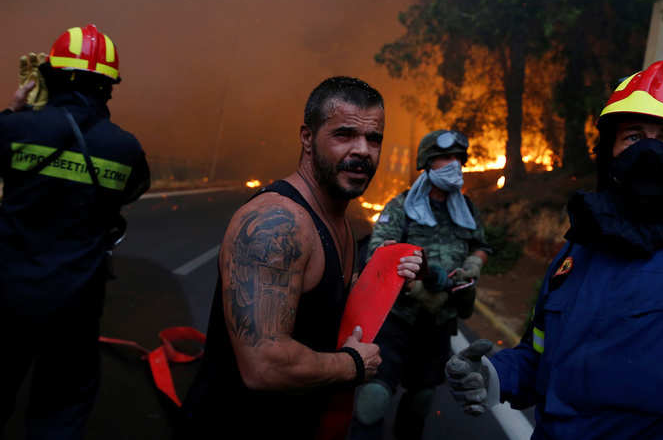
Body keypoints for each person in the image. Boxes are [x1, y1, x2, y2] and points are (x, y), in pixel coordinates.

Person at [446, 60, 663, 440]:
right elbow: (540, 355)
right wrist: (495, 374)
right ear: (609, 153)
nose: (648, 152)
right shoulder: (575, 254)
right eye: (633, 137)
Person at [180, 76, 422, 439]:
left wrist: (384, 283)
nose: (363, 151)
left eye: (374, 139)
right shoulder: (276, 223)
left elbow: (318, 305)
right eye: (344, 135)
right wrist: (353, 364)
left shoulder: (338, 220)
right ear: (307, 138)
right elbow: (264, 364)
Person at [0, 24, 150, 439]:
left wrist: (16, 111)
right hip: (75, 302)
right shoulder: (125, 147)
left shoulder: (14, 129)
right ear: (108, 86)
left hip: (8, 292)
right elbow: (133, 189)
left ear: (50, 74)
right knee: (60, 408)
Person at [350, 129, 491, 440]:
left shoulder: (466, 209)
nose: (454, 164)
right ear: (427, 163)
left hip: (438, 324)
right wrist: (416, 288)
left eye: (458, 158)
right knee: (373, 399)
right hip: (397, 320)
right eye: (445, 158)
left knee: (422, 400)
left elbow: (481, 244)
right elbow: (378, 256)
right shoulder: (402, 206)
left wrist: (474, 264)